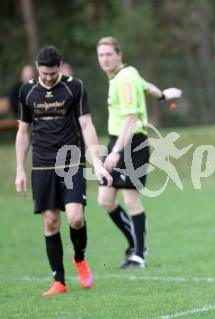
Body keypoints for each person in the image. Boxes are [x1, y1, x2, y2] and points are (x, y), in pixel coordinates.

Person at [15, 45, 113, 296]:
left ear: (60, 66)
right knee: (51, 221)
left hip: (71, 161)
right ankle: (59, 280)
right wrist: (20, 170)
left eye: (52, 73)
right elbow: (23, 132)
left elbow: (87, 124)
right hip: (41, 164)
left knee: (76, 219)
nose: (48, 77)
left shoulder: (75, 87)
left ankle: (79, 258)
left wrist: (97, 162)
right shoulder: (27, 91)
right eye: (43, 73)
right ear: (38, 69)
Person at [96, 36, 182, 269]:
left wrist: (115, 152)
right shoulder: (129, 73)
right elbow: (147, 86)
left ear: (119, 55)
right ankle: (135, 243)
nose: (104, 59)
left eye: (109, 54)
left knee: (131, 200)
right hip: (118, 139)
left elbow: (132, 119)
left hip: (132, 142)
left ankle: (139, 255)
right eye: (101, 55)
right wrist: (163, 95)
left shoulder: (124, 81)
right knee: (104, 199)